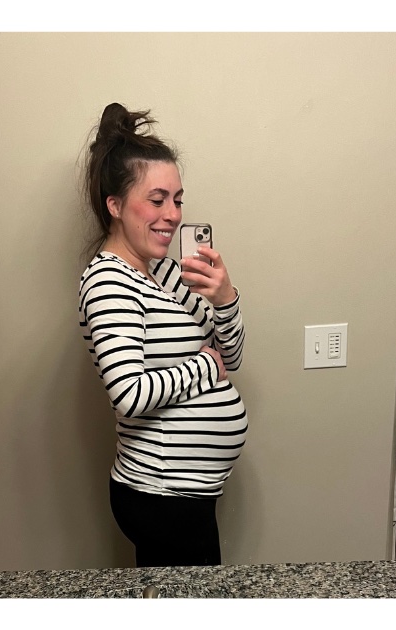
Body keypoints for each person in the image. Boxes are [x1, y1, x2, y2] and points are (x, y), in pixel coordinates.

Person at [77, 102, 248, 568]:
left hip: (186, 494)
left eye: (178, 199)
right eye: (157, 200)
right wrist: (202, 364)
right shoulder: (109, 281)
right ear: (114, 205)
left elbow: (230, 354)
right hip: (158, 493)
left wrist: (226, 298)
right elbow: (128, 394)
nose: (172, 214)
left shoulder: (168, 273)